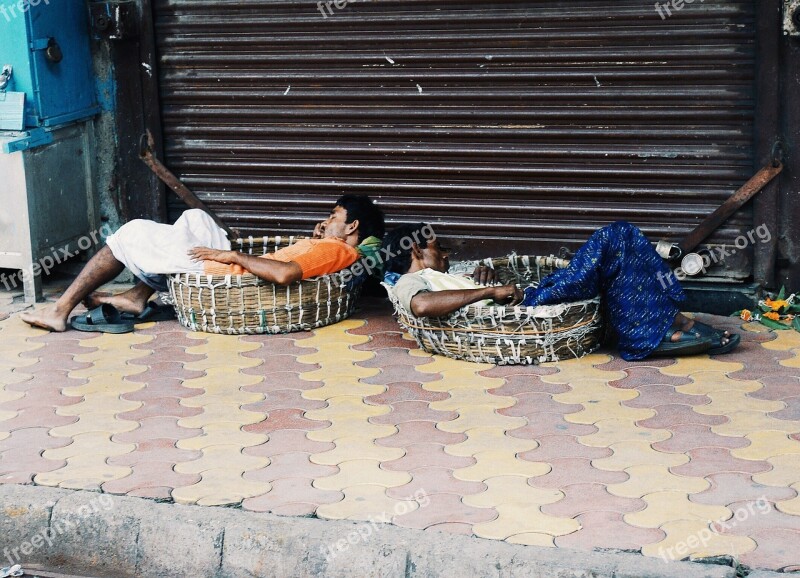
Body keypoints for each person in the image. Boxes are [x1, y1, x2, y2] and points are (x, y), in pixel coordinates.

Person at [21, 195, 385, 333]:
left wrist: (229, 256)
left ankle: (60, 310)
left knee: (131, 233)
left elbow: (285, 273)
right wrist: (319, 236)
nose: (327, 219)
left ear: (351, 226)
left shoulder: (339, 251)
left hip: (222, 274)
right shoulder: (331, 246)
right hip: (229, 267)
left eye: (333, 215)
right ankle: (135, 295)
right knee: (196, 218)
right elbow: (296, 259)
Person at [382, 221, 739, 361]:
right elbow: (424, 306)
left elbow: (461, 288)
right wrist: (488, 293)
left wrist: (481, 278)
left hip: (537, 290)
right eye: (437, 248)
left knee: (622, 246)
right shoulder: (410, 283)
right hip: (531, 303)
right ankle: (647, 332)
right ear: (416, 252)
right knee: (615, 235)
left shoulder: (446, 273)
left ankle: (661, 321)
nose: (444, 253)